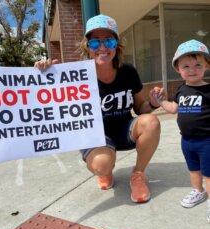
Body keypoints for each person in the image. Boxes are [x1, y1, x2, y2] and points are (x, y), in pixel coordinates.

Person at [35, 14, 161, 203]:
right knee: (101, 165)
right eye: (95, 43)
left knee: (151, 122)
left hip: (124, 129)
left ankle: (138, 174)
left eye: (108, 41)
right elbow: (48, 104)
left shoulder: (128, 72)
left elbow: (140, 109)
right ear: (87, 46)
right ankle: (106, 169)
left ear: (116, 45)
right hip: (94, 134)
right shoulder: (74, 75)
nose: (102, 48)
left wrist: (152, 103)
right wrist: (42, 75)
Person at [152, 39, 210, 222]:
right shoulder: (181, 89)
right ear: (177, 68)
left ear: (206, 66)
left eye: (197, 65)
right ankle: (198, 191)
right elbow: (173, 108)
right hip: (186, 140)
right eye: (186, 66)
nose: (192, 70)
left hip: (207, 140)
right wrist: (161, 101)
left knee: (208, 173)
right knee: (193, 169)